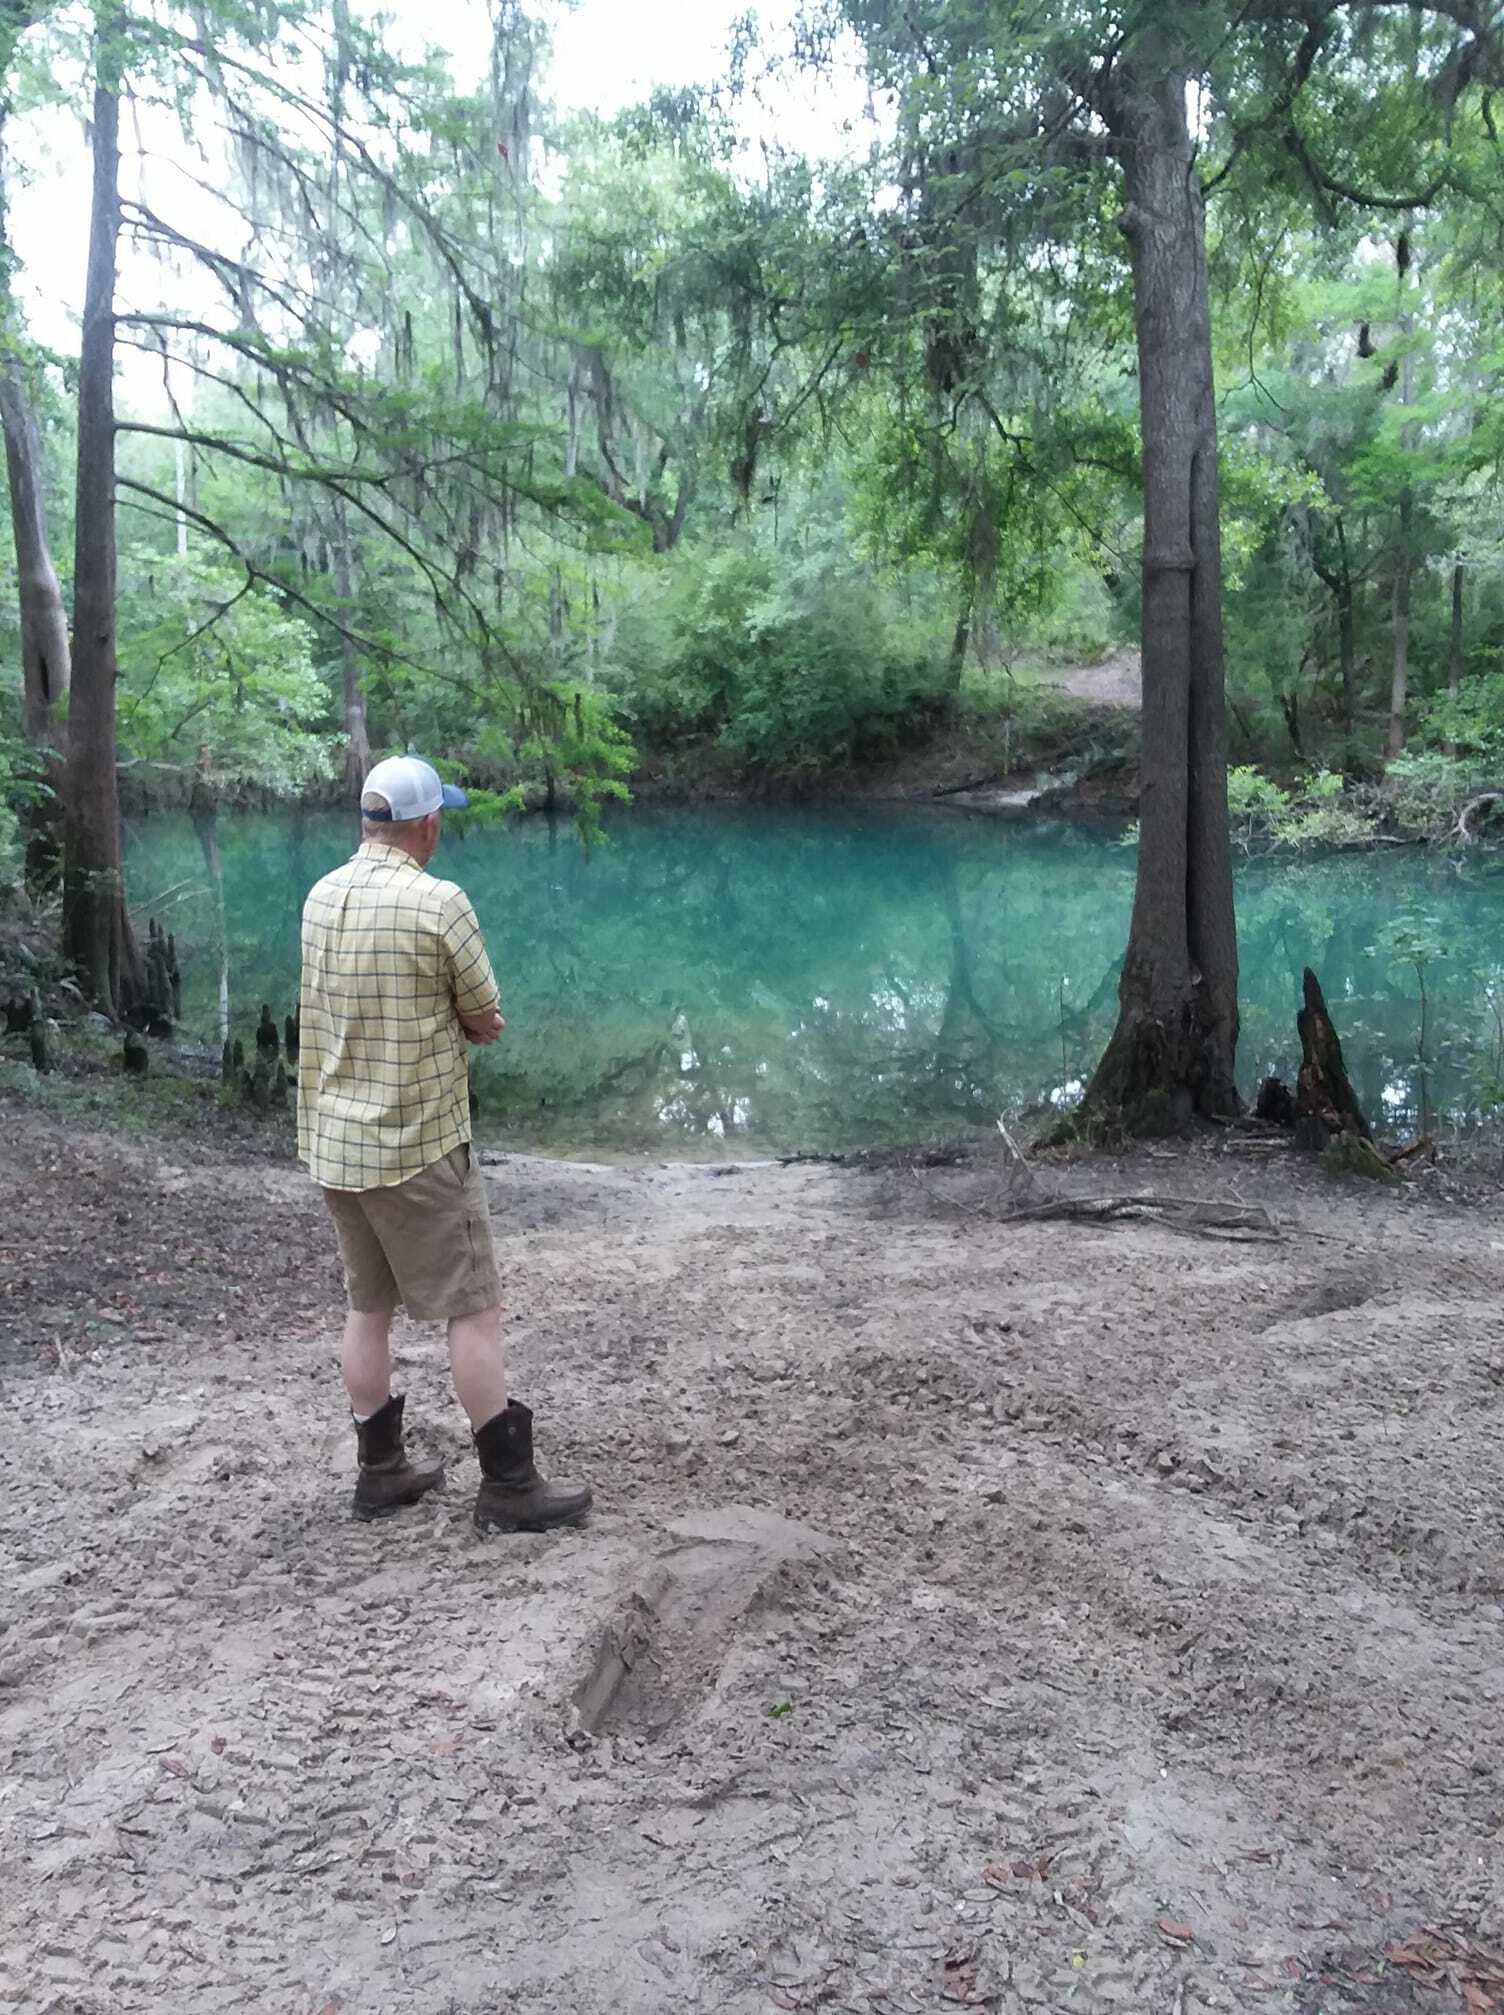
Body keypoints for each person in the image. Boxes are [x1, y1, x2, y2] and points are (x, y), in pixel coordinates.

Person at [297, 753, 591, 1534]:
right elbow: (485, 1014)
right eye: (441, 820)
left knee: (368, 1306)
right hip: (418, 1144)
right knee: (474, 1308)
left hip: (337, 1146)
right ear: (426, 825)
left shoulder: (321, 895)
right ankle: (508, 1482)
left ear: (370, 822)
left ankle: (381, 1472)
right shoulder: (440, 902)